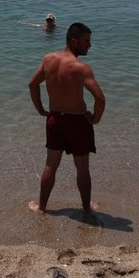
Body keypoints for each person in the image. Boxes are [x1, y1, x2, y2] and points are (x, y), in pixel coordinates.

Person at [28, 22, 106, 216]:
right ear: (74, 40)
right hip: (78, 123)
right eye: (86, 41)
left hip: (55, 121)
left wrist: (40, 110)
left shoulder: (48, 59)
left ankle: (42, 208)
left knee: (51, 165)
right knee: (82, 167)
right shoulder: (81, 68)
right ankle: (86, 209)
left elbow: (32, 84)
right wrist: (95, 119)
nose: (89, 45)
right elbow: (100, 98)